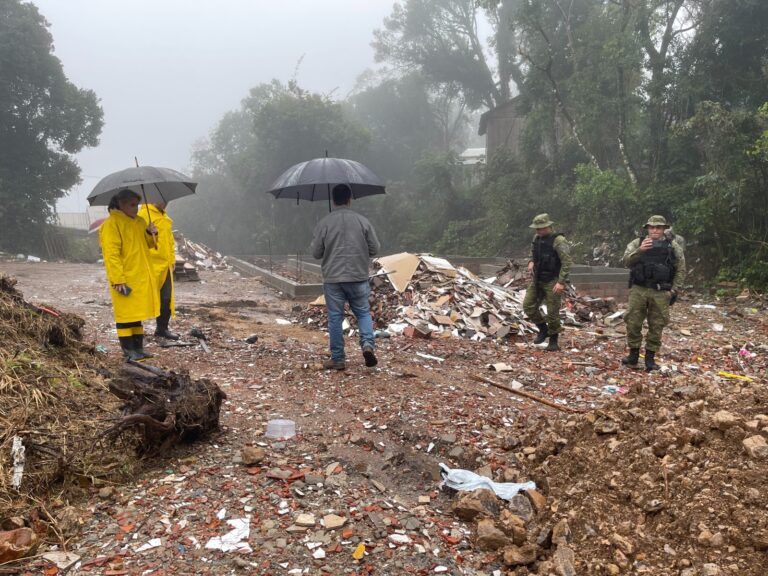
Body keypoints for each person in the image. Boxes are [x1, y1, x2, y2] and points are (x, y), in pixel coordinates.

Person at [310, 184, 381, 370]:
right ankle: (367, 345)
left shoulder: (324, 223)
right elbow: (375, 248)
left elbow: (316, 253)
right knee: (363, 313)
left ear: (333, 200)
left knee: (335, 318)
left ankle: (338, 359)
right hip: (358, 276)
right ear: (349, 199)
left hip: (333, 279)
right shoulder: (362, 221)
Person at [99, 189, 160, 361]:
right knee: (125, 315)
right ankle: (128, 351)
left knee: (137, 314)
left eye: (137, 204)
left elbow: (149, 245)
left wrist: (151, 233)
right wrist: (117, 279)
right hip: (125, 277)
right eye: (132, 205)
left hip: (140, 275)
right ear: (120, 204)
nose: (137, 208)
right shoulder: (112, 224)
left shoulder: (140, 221)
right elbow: (111, 255)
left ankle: (138, 349)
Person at [621, 215, 686, 371]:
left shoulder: (673, 246)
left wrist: (673, 290)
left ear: (664, 229)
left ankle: (650, 358)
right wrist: (640, 250)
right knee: (633, 322)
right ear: (647, 228)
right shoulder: (637, 243)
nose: (655, 230)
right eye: (652, 227)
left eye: (658, 227)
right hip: (639, 289)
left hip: (660, 291)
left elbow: (681, 269)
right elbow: (626, 261)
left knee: (657, 325)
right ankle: (633, 355)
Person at [523, 213, 572, 351]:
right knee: (528, 305)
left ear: (548, 226)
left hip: (553, 280)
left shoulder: (559, 241)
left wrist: (561, 282)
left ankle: (553, 340)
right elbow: (532, 252)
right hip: (538, 278)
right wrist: (531, 261)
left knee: (552, 312)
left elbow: (567, 262)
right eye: (536, 229)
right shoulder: (536, 238)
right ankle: (543, 329)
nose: (537, 231)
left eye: (540, 228)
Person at [139, 201, 178, 339]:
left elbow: (170, 241)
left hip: (165, 265)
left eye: (166, 200)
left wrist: (172, 260)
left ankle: (162, 329)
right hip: (150, 264)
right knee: (143, 298)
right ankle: (136, 332)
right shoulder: (143, 215)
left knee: (166, 298)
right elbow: (139, 239)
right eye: (162, 200)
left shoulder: (166, 218)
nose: (165, 203)